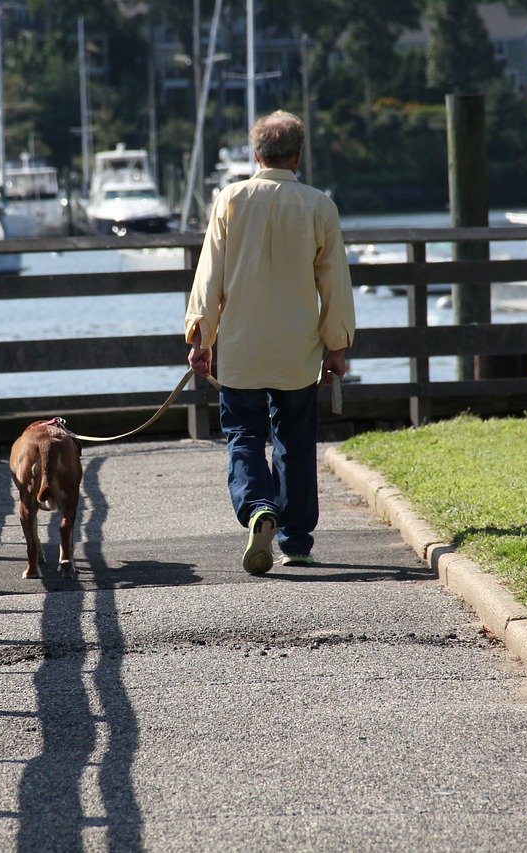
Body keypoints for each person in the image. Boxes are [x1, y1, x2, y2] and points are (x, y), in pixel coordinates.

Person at [185, 110, 356, 574]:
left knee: (243, 434)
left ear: (256, 153)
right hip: (297, 349)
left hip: (241, 346)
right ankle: (296, 539)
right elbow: (334, 285)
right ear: (298, 155)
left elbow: (210, 279)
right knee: (295, 441)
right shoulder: (319, 206)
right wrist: (336, 346)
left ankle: (257, 507)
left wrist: (201, 336)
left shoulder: (230, 200)